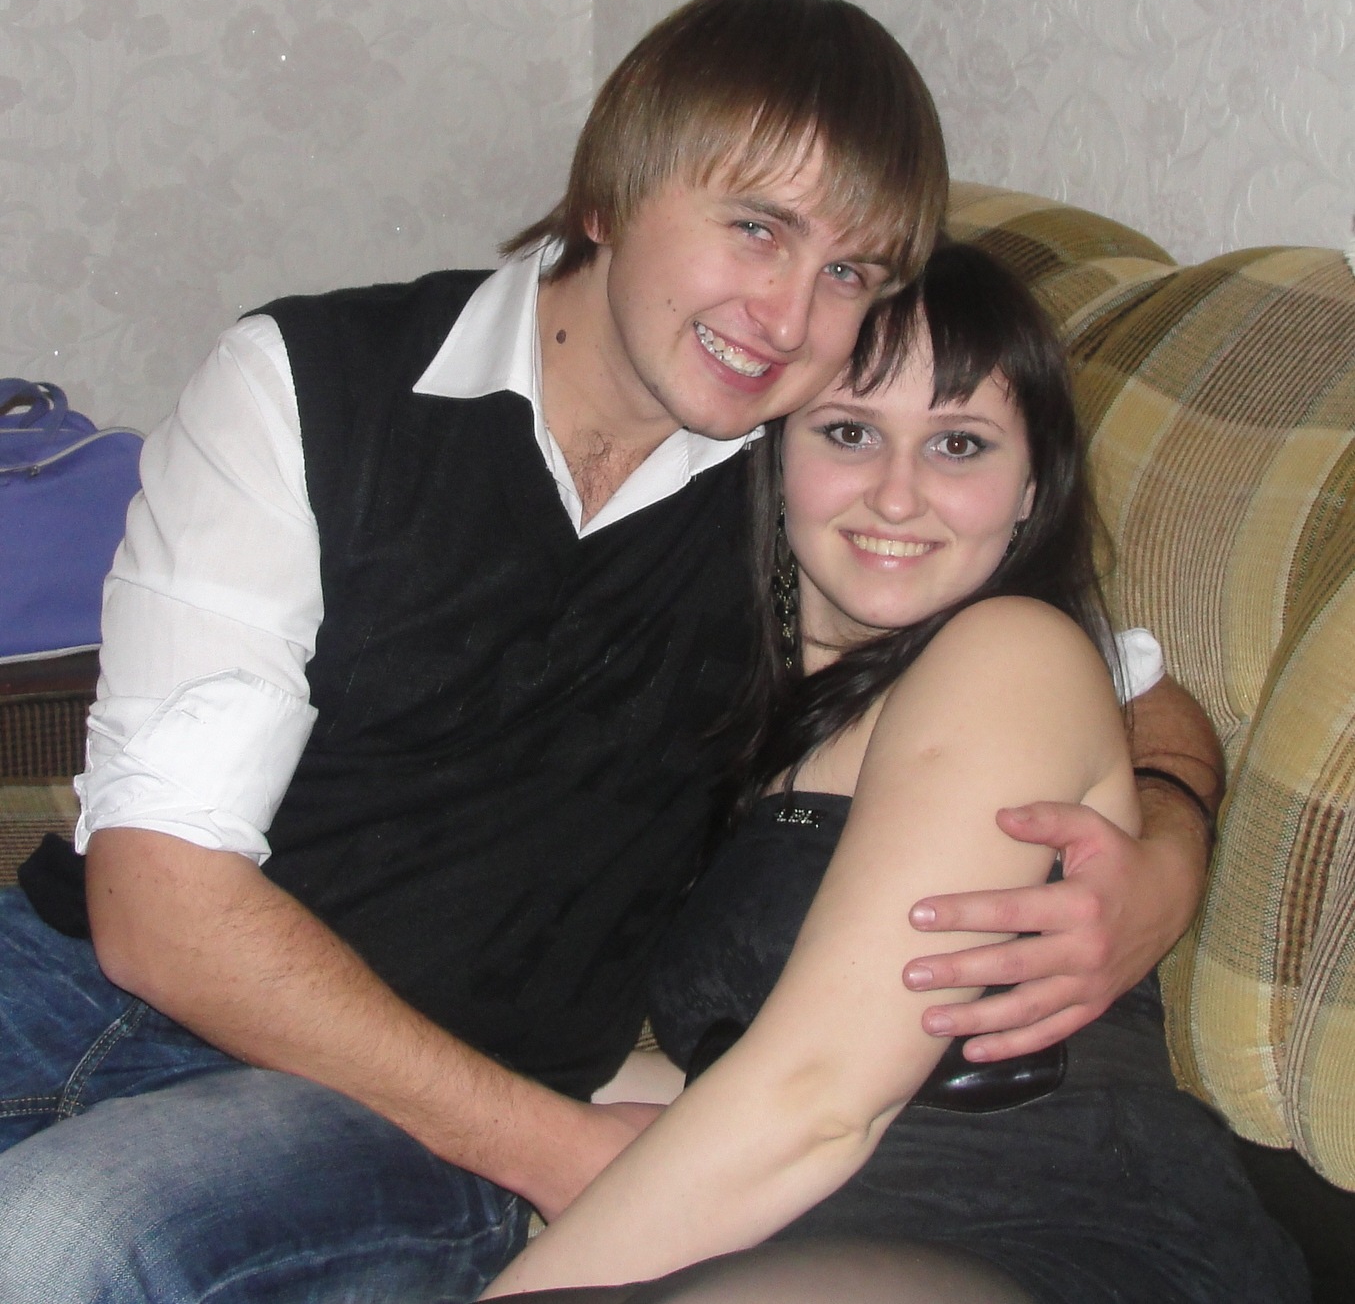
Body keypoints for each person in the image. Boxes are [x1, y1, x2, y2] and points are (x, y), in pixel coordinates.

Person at [0, 0, 1220, 1304]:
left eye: (847, 273)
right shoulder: (306, 381)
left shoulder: (797, 483)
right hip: (66, 978)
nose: (786, 317)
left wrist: (1161, 843)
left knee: (63, 1235)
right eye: (755, 227)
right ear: (608, 193)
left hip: (419, 1102)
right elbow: (156, 898)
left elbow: (1092, 676)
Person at [482, 243, 1304, 1304]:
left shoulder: (1010, 655)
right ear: (774, 453)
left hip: (1052, 1226)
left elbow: (820, 1097)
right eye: (848, 432)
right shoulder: (729, 708)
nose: (897, 494)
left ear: (1030, 487)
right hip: (808, 1221)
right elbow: (741, 1070)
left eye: (958, 444)